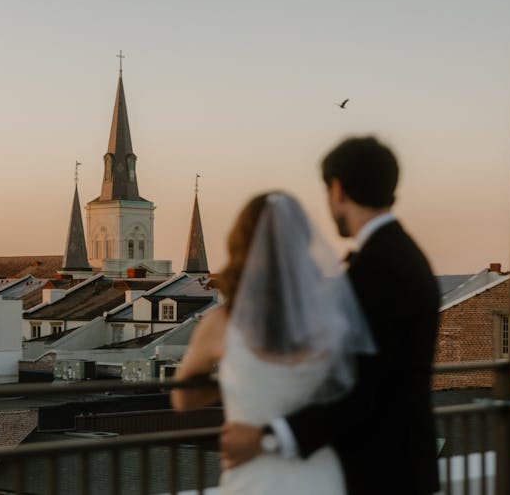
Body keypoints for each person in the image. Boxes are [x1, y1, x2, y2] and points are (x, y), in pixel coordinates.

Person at [220, 137, 441, 495]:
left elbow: (366, 389)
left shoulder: (375, 268)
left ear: (337, 189)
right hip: (405, 463)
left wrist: (268, 437)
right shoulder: (406, 254)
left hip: (380, 472)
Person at [172, 191, 375, 494]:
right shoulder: (330, 318)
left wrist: (229, 383)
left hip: (256, 477)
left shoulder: (222, 323)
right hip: (323, 475)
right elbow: (353, 392)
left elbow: (183, 398)